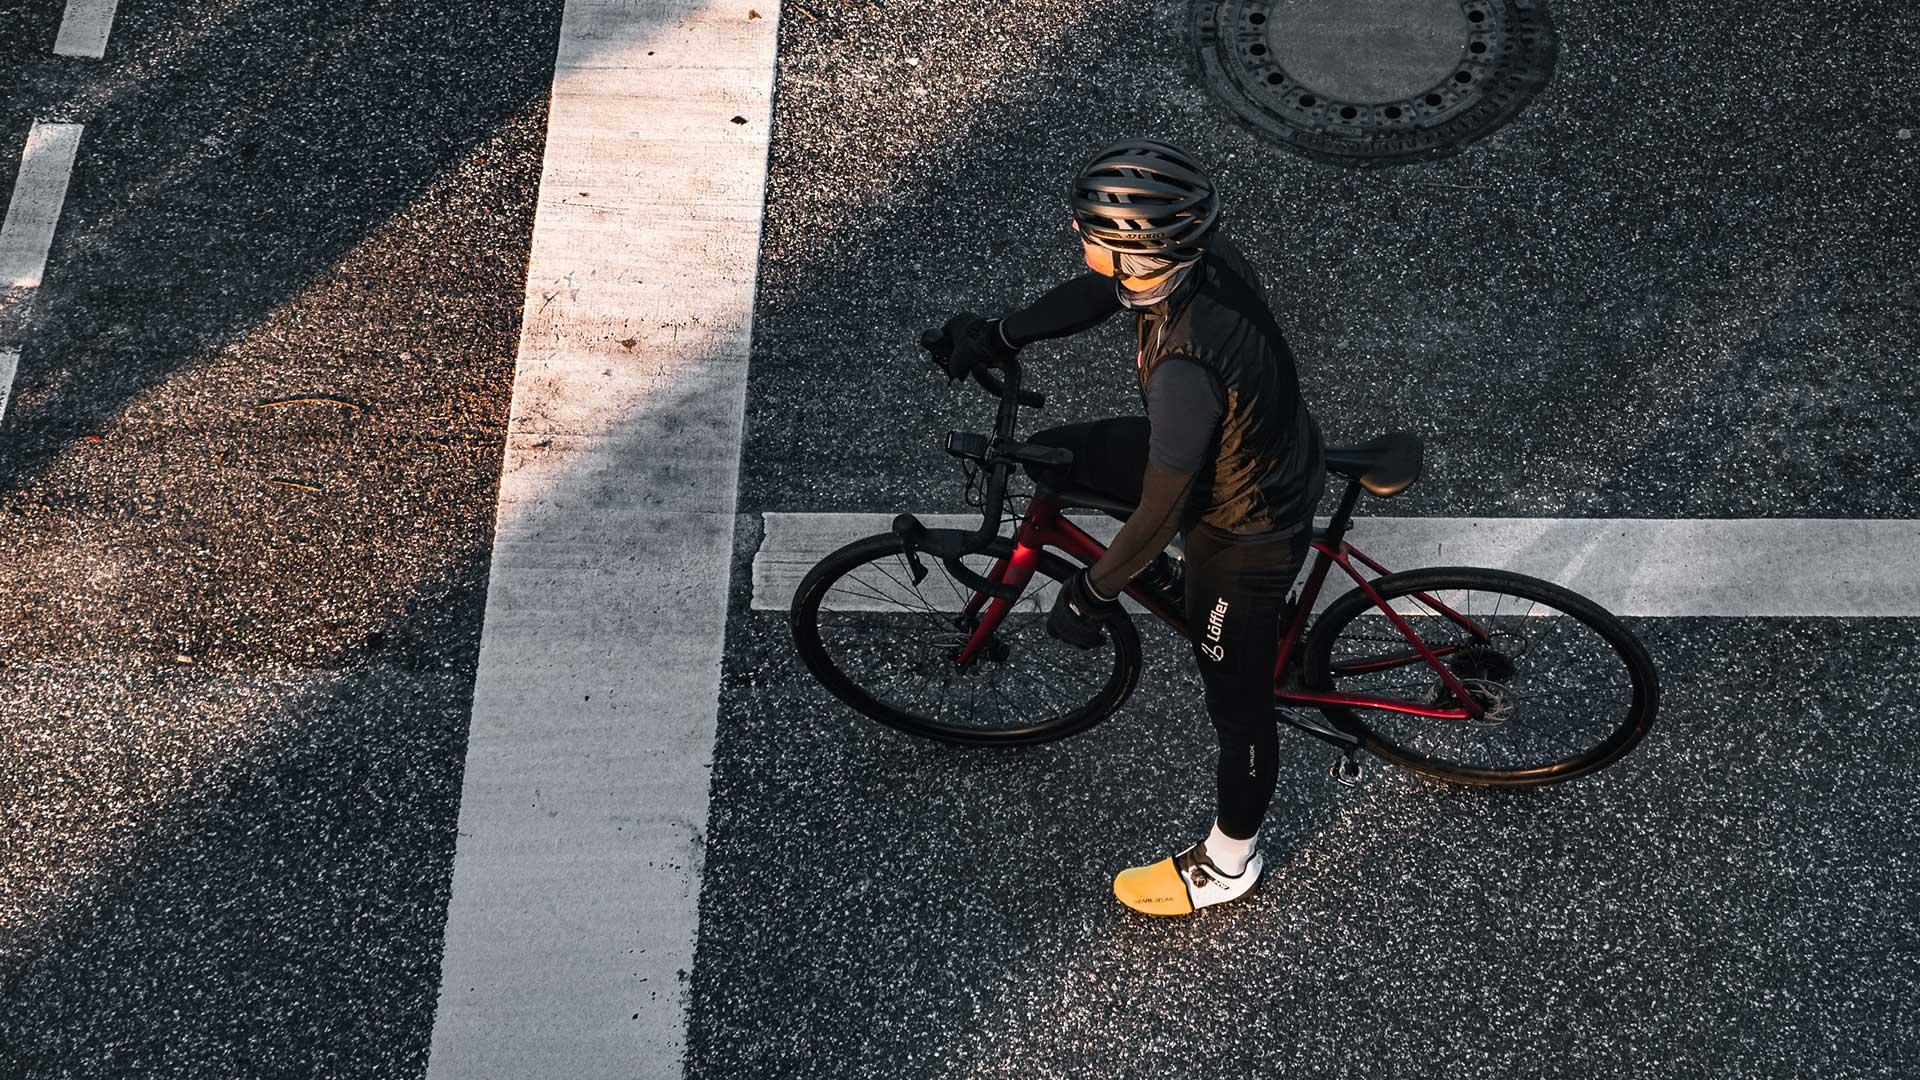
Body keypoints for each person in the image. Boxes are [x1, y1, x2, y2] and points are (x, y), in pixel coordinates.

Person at [939, 139, 1324, 916]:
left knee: (1238, 704)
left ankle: (1229, 863)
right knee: (1067, 457)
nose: (1078, 238)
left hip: (1245, 524)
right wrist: (1003, 335)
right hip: (1252, 444)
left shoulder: (1185, 371)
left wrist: (1093, 589)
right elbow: (1098, 291)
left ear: (1131, 251)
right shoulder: (1194, 259)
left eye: (1089, 231)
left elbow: (1164, 508)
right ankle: (1182, 593)